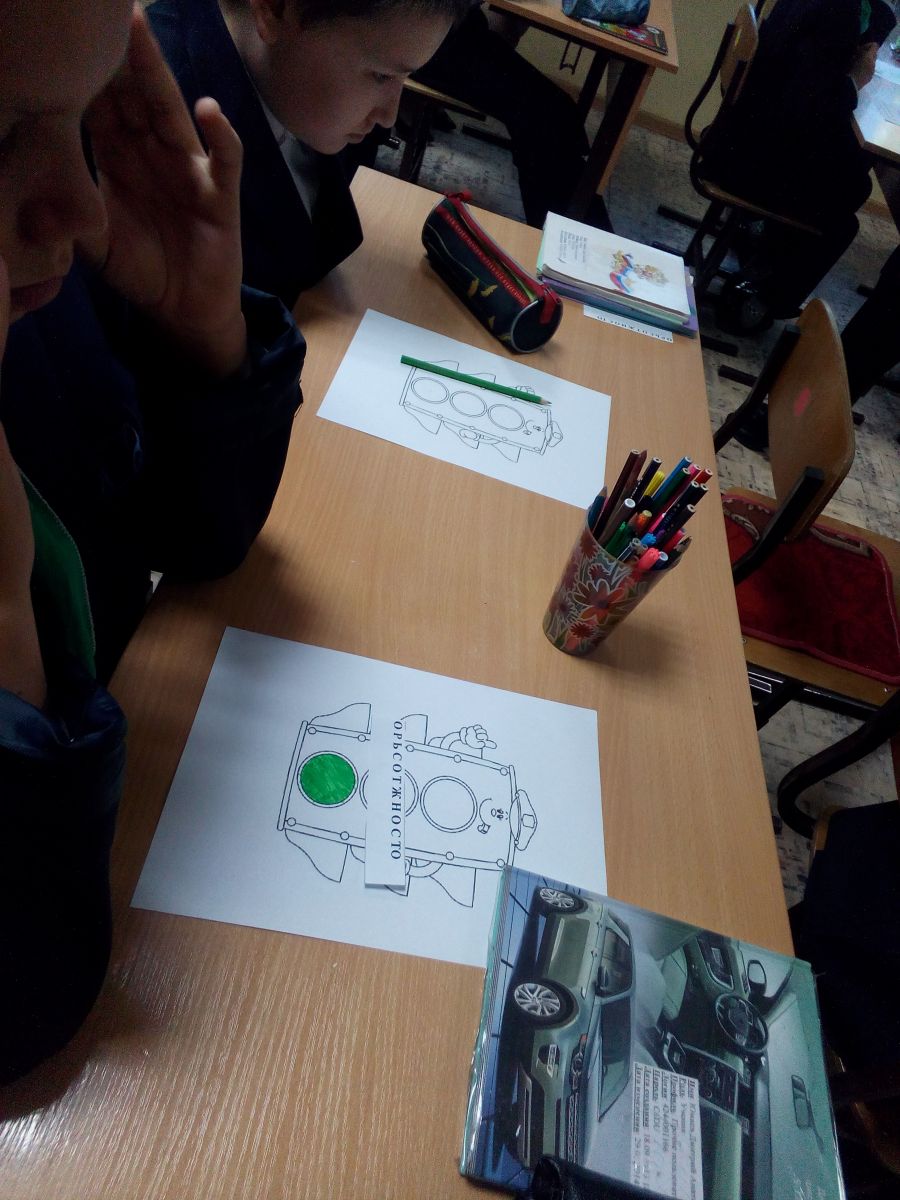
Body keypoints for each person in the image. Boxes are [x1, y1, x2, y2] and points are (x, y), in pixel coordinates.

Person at [1, 1, 305, 1084]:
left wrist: (203, 330)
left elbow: (200, 537)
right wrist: (10, 627)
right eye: (1, 135)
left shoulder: (43, 303)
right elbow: (23, 1007)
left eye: (78, 117)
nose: (83, 208)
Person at [147, 0, 467, 309]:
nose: (389, 117)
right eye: (382, 76)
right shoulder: (158, 136)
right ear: (275, 8)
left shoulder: (304, 93)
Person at [704, 0, 896, 333]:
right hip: (752, 162)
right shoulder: (838, 14)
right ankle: (760, 299)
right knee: (845, 210)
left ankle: (758, 240)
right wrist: (854, 81)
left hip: (734, 136)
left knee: (852, 176)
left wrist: (869, 44)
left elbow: (876, 17)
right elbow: (806, 110)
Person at [412, 1, 606, 230]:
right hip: (429, 38)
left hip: (454, 31)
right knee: (544, 116)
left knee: (556, 112)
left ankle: (575, 232)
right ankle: (565, 234)